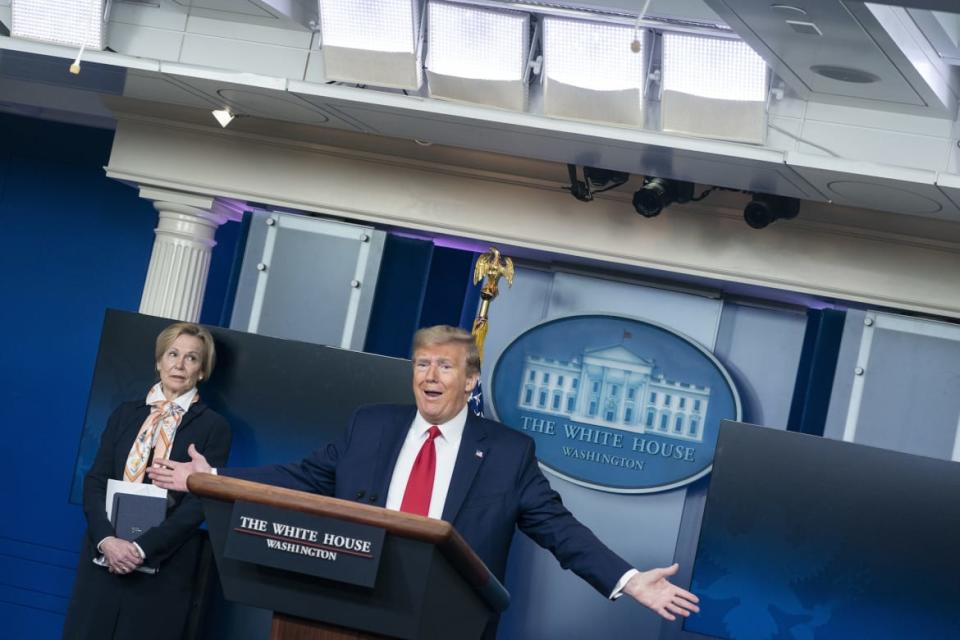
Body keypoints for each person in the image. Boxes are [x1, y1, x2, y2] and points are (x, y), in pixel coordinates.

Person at [149, 325, 698, 627]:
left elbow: (559, 529)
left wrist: (627, 580)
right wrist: (214, 476)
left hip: (442, 622)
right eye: (421, 364)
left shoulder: (508, 453)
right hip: (344, 609)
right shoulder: (372, 425)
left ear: (470, 381)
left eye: (445, 367)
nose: (430, 376)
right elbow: (304, 476)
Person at [63, 322, 232, 640]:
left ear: (202, 370)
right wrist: (107, 541)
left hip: (163, 568)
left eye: (192, 358)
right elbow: (96, 480)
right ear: (159, 361)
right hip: (105, 558)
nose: (179, 365)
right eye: (173, 354)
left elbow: (199, 504)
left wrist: (142, 549)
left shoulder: (214, 427)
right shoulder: (125, 414)